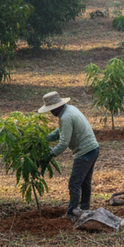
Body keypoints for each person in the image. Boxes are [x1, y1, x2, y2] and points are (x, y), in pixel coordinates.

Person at [37, 91, 100, 219]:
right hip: (93, 148)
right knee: (85, 183)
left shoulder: (65, 117)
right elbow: (59, 132)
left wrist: (49, 155)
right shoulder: (70, 109)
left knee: (74, 183)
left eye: (52, 109)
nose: (51, 112)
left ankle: (72, 214)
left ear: (57, 107)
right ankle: (84, 210)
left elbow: (63, 143)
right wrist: (45, 139)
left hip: (84, 152)